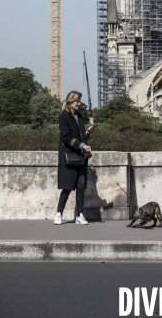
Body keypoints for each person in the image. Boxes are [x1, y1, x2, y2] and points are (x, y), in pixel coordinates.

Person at [54, 91, 94, 225]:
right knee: (67, 186)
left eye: (79, 100)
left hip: (80, 156)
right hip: (69, 156)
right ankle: (59, 213)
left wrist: (86, 134)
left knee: (80, 187)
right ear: (70, 102)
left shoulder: (80, 117)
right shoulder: (64, 117)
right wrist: (83, 145)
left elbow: (79, 137)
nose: (79, 103)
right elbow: (66, 138)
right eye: (77, 101)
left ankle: (80, 215)